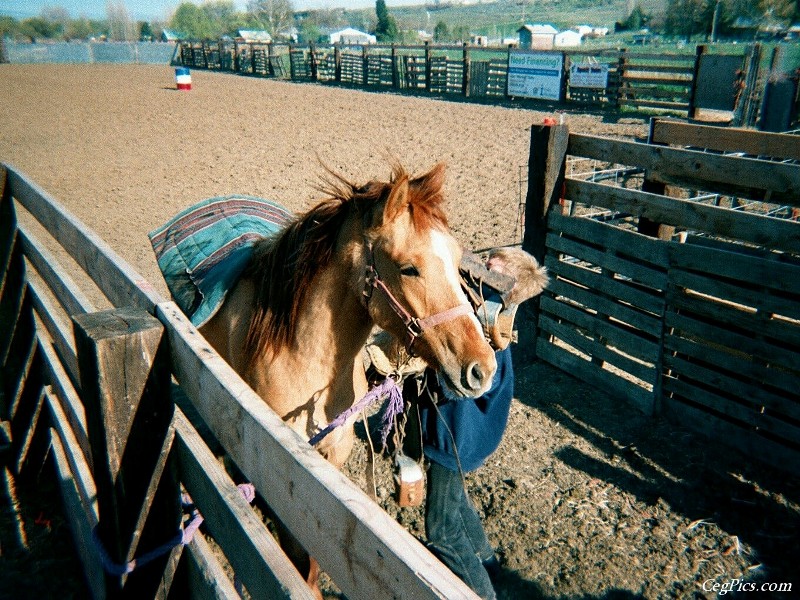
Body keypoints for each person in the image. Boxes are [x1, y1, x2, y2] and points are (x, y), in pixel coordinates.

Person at [417, 247, 548, 599]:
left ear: (507, 280)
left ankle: (482, 593)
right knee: (457, 500)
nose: (484, 264)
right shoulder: (491, 317)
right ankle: (487, 562)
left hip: (456, 438)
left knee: (441, 528)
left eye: (492, 264)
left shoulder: (485, 322)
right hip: (473, 434)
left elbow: (458, 380)